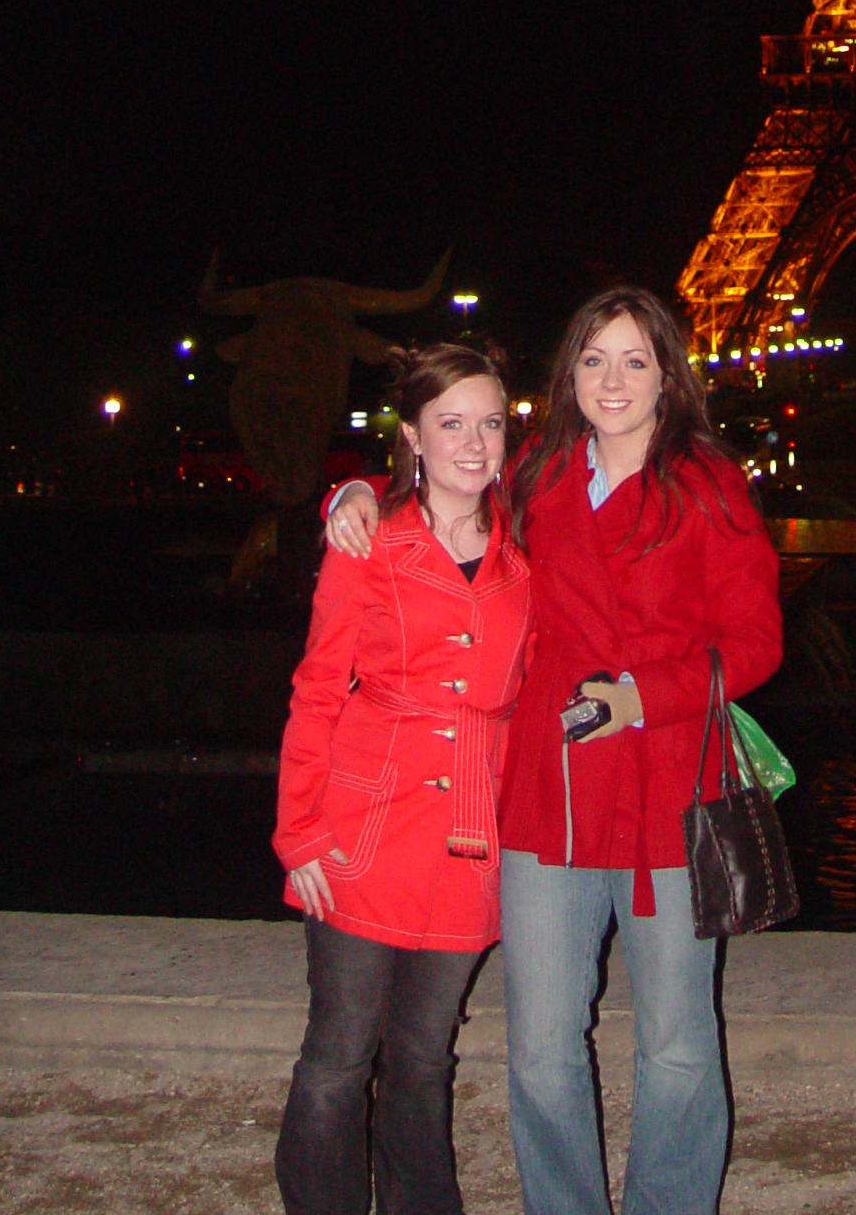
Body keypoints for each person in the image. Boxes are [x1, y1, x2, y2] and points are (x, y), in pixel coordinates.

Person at [329, 288, 782, 1215]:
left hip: (669, 798)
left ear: (668, 376)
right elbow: (443, 487)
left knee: (678, 1043)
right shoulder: (536, 472)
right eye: (594, 360)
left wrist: (642, 697)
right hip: (548, 794)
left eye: (635, 361)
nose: (613, 380)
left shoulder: (708, 485)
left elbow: (758, 641)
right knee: (539, 1045)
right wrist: (358, 491)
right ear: (569, 373)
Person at [273, 344, 532, 1215]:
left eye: (490, 423)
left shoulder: (528, 552)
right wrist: (299, 830)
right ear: (412, 437)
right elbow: (317, 688)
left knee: (425, 1055)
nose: (472, 442)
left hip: (470, 831)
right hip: (365, 825)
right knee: (339, 1057)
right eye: (450, 423)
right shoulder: (370, 539)